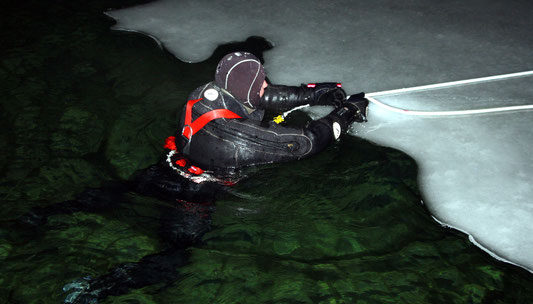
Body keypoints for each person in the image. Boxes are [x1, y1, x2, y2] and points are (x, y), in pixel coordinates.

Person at [15, 52, 368, 303]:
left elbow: (262, 96)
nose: (266, 86)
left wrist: (317, 91)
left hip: (167, 166)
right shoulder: (236, 142)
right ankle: (99, 290)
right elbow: (306, 143)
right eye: (262, 81)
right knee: (178, 253)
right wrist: (346, 113)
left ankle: (39, 217)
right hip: (196, 192)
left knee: (115, 193)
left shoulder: (207, 93)